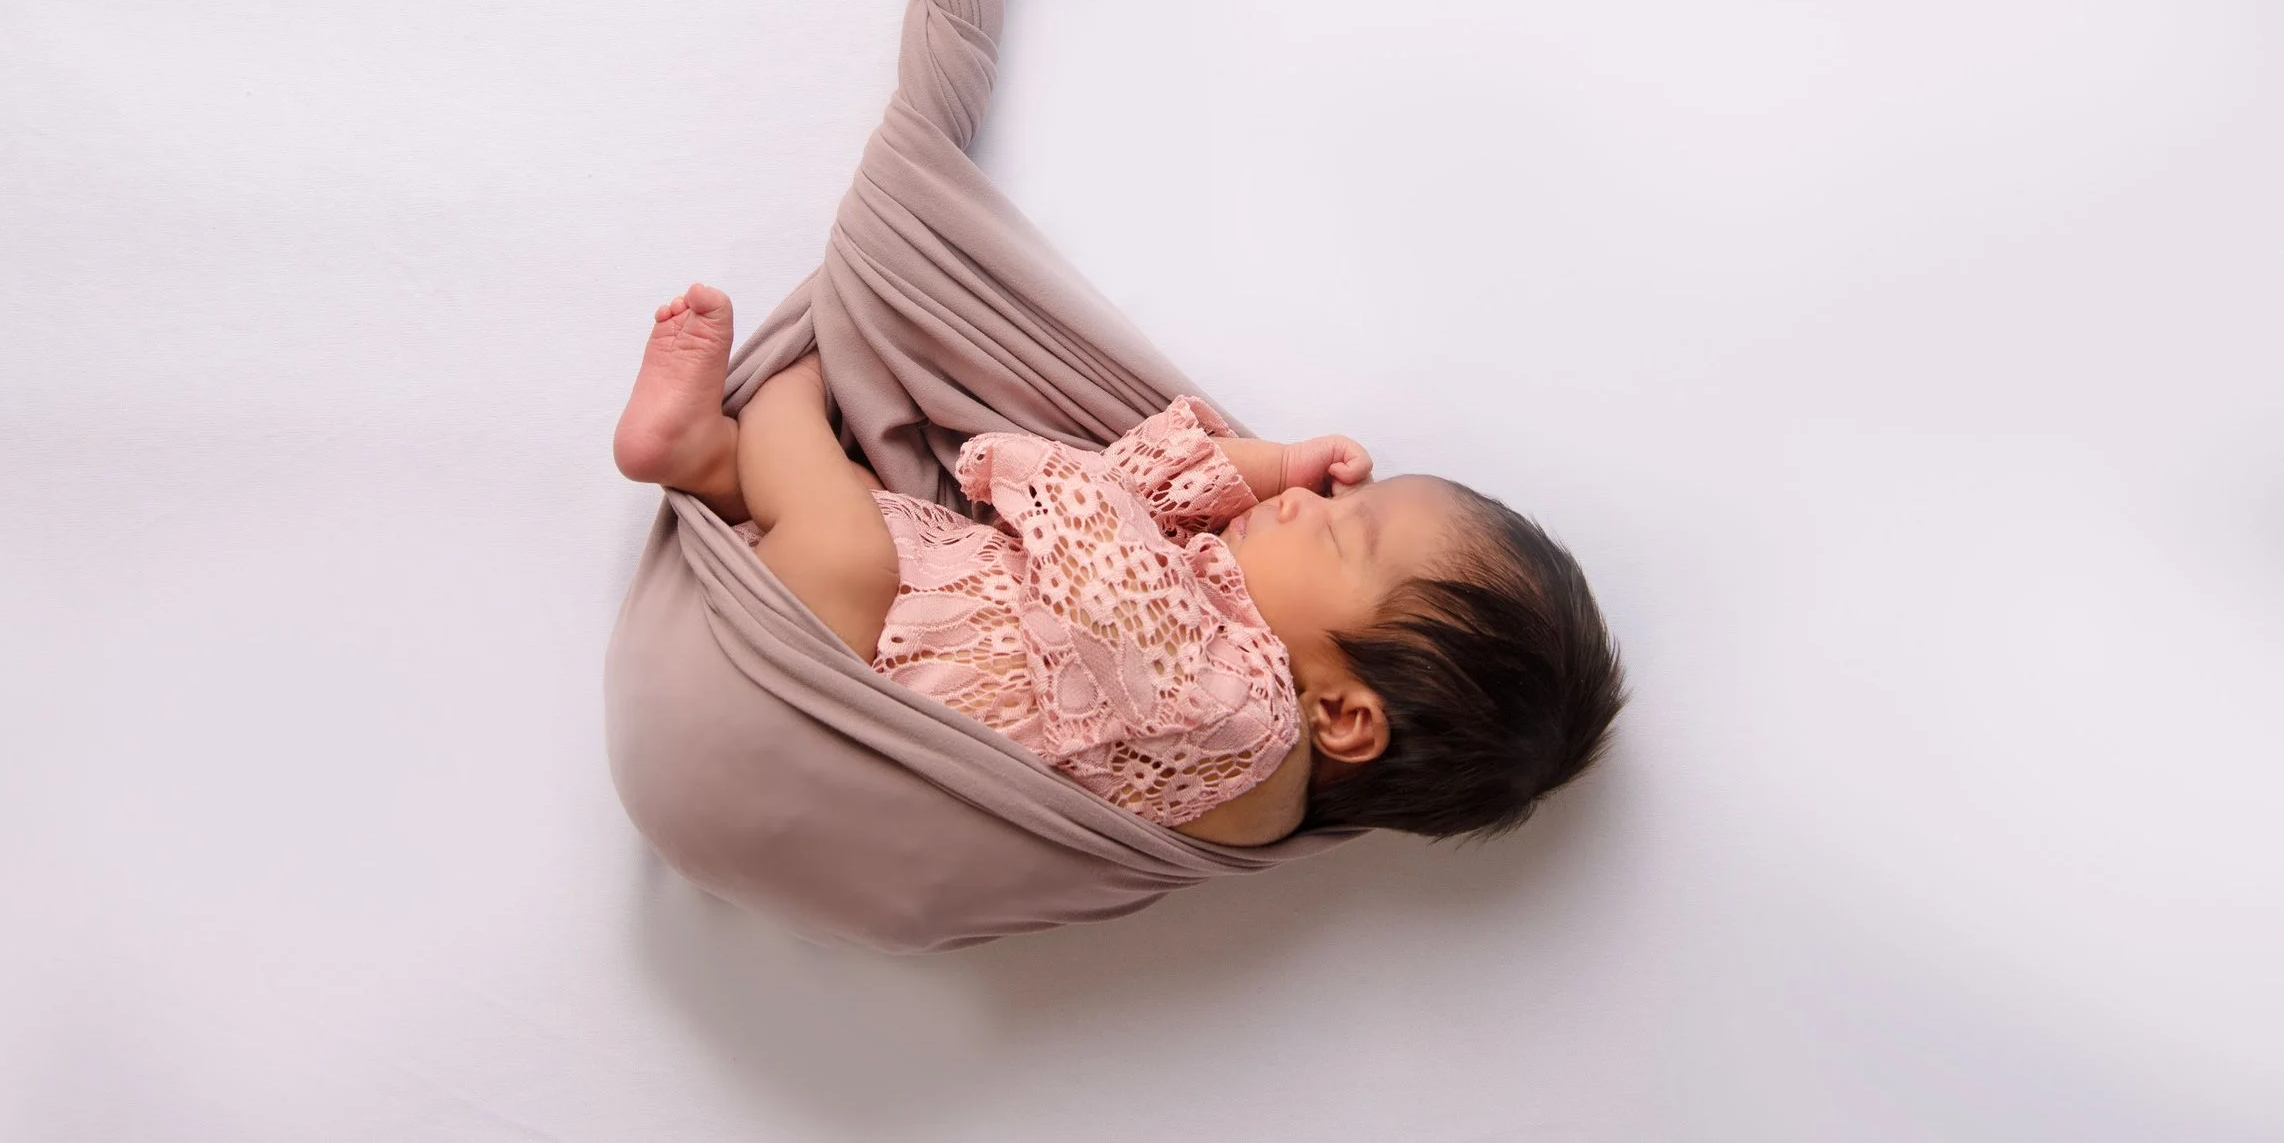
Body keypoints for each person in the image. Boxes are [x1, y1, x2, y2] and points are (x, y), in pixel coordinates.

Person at [615, 282, 1625, 846]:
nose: (1302, 504)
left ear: (1348, 714)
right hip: (897, 613)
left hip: (843, 665)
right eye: (1334, 495)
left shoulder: (1239, 718)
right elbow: (1148, 504)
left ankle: (770, 401)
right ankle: (710, 465)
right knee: (854, 537)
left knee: (842, 542)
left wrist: (1029, 463)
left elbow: (1107, 514)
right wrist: (1266, 462)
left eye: (1337, 533)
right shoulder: (1227, 669)